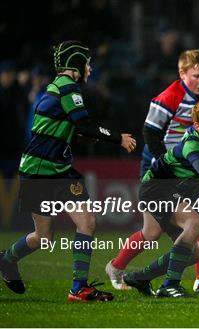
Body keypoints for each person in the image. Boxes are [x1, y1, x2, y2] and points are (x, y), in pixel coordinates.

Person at [0, 40, 137, 302]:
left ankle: (78, 288)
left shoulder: (60, 88)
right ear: (75, 65)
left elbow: (70, 128)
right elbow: (83, 126)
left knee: (87, 221)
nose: (89, 68)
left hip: (59, 169)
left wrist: (82, 134)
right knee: (43, 237)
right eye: (86, 63)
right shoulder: (67, 88)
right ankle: (6, 260)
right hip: (39, 171)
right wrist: (118, 137)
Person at [105, 49, 199, 290]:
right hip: (159, 168)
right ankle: (118, 268)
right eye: (196, 75)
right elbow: (150, 133)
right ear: (182, 73)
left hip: (185, 167)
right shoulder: (170, 96)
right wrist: (165, 164)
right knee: (153, 231)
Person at [123, 98, 199, 298]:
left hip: (176, 188)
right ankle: (169, 285)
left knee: (193, 254)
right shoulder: (192, 145)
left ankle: (142, 278)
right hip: (156, 188)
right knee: (195, 223)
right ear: (198, 126)